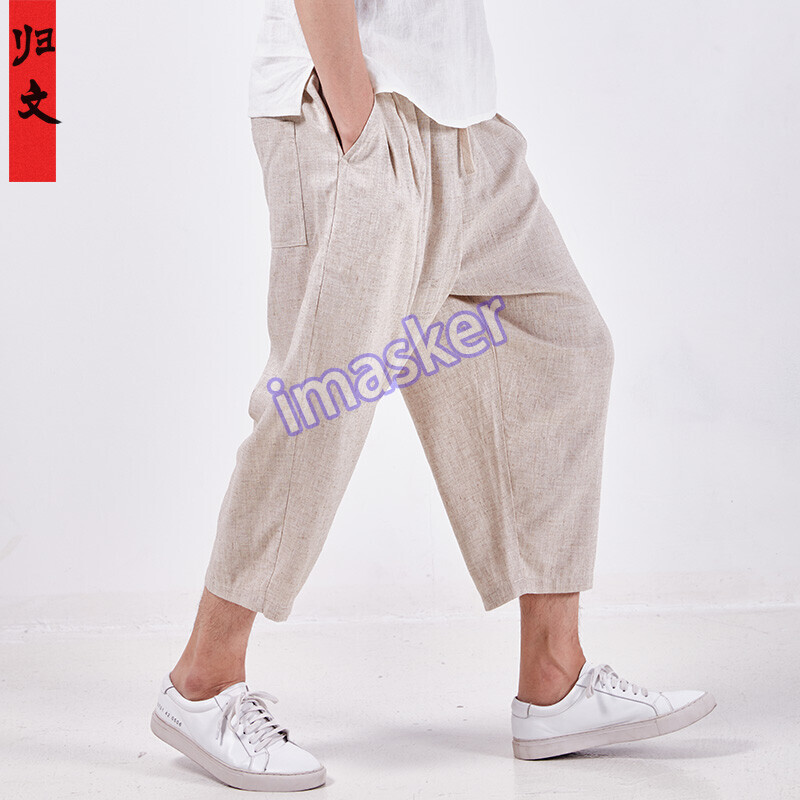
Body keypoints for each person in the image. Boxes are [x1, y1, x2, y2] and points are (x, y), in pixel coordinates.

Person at [149, 0, 716, 791]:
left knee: (560, 345)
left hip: (462, 118)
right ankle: (202, 681)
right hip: (352, 110)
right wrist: (356, 121)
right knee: (322, 399)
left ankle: (555, 677)